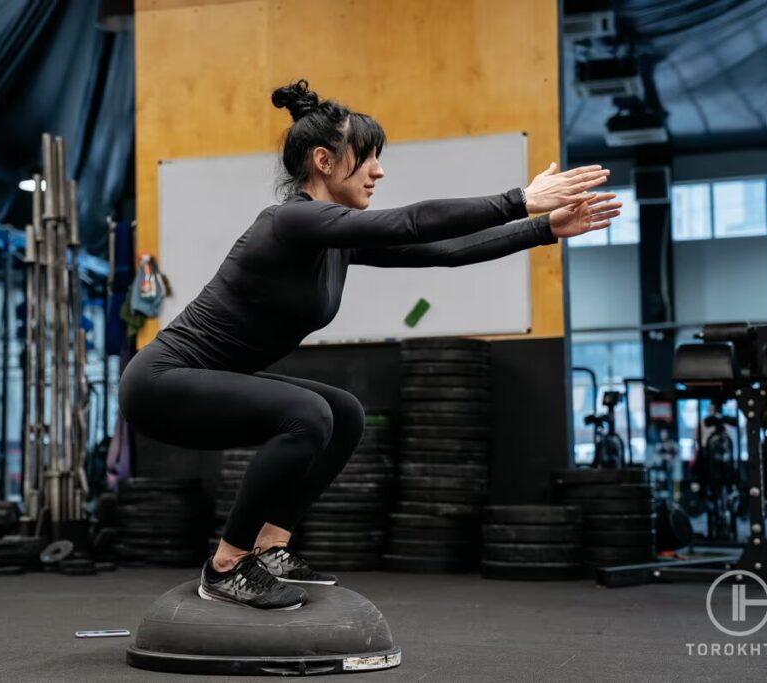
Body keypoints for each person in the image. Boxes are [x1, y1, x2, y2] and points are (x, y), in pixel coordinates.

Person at [120, 79, 621, 610]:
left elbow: (440, 251)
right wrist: (517, 200)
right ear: (324, 161)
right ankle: (225, 566)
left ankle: (270, 548)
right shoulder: (288, 221)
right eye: (368, 159)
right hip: (160, 384)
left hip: (202, 383)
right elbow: (410, 220)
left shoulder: (334, 239)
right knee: (308, 414)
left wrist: (542, 228)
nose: (379, 171)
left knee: (345, 412)